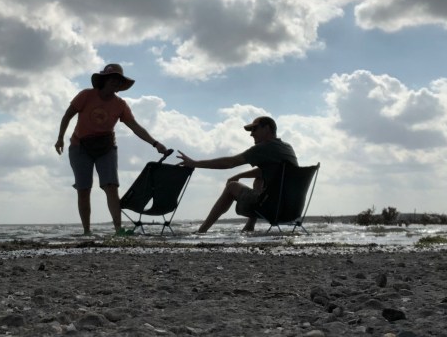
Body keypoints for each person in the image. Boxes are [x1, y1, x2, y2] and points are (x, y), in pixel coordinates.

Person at [55, 64, 168, 235]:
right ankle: (87, 231)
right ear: (104, 80)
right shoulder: (86, 95)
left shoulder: (120, 104)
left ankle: (118, 230)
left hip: (106, 147)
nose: (115, 82)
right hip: (80, 146)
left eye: (119, 80)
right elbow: (67, 115)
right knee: (83, 189)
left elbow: (135, 126)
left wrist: (155, 143)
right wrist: (60, 138)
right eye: (112, 78)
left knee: (111, 187)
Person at [177, 116, 297, 233]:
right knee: (259, 180)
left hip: (272, 208)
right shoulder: (287, 147)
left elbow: (230, 162)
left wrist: (194, 163)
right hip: (291, 208)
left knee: (232, 186)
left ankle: (202, 230)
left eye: (255, 129)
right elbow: (266, 171)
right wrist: (240, 175)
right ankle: (250, 226)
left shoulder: (264, 148)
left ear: (267, 128)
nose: (251, 134)